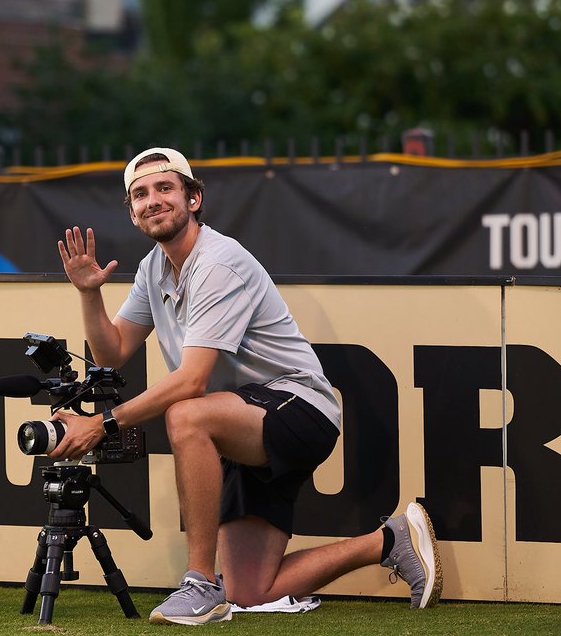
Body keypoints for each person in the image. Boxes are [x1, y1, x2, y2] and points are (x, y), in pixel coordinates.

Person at [51, 147, 441, 625]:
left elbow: (191, 381)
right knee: (251, 592)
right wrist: (89, 294)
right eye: (140, 194)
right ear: (131, 213)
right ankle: (391, 540)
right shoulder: (154, 267)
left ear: (193, 198)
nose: (152, 200)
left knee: (186, 413)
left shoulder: (218, 261)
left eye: (164, 188)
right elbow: (111, 352)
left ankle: (197, 581)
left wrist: (102, 423)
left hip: (299, 410)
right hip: (241, 423)